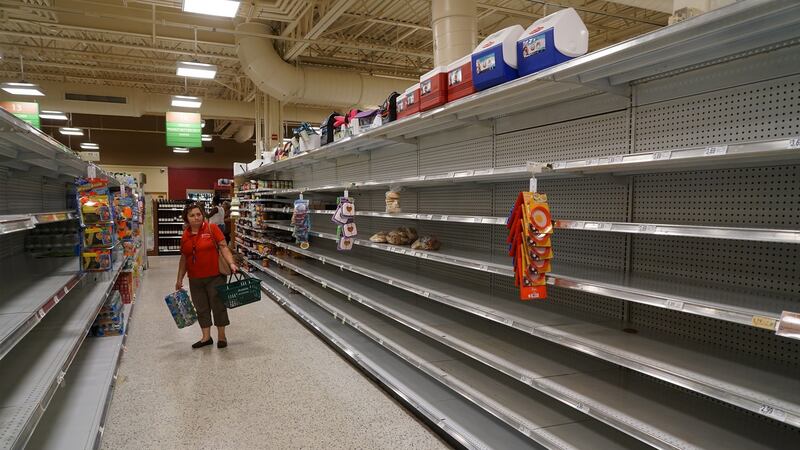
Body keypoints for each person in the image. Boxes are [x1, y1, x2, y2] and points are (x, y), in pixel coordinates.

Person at [176, 203, 239, 349]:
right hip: (195, 278)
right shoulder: (185, 235)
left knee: (218, 306)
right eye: (192, 215)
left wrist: (231, 263)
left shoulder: (212, 228)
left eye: (198, 214)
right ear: (187, 219)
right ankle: (206, 337)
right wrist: (179, 279)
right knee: (201, 308)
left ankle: (221, 336)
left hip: (215, 276)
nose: (196, 217)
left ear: (203, 215)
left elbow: (224, 247)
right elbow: (184, 258)